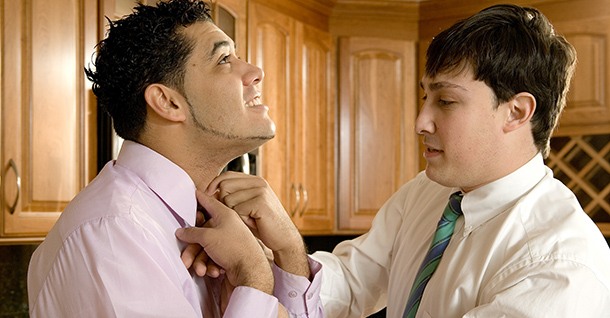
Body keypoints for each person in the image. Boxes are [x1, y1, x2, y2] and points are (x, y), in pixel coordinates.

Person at [187, 4, 610, 317]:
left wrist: (255, 275)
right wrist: (279, 247)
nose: (421, 121)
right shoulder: (429, 193)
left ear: (517, 112)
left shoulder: (560, 264)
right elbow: (353, 284)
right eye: (426, 97)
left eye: (446, 101)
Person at [27, 1, 323, 317]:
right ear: (167, 102)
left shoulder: (223, 228)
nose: (256, 71)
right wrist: (254, 277)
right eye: (224, 59)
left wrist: (290, 252)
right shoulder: (114, 235)